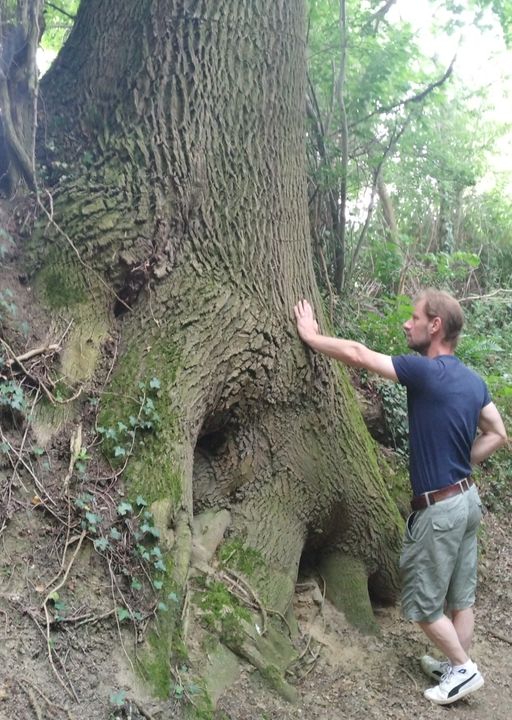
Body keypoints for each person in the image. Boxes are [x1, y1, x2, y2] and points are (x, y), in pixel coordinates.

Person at [294, 289, 508, 705]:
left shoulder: (425, 372)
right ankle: (455, 663)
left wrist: (311, 336)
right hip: (467, 501)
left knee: (425, 604)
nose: (406, 324)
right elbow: (498, 433)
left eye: (414, 318)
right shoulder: (472, 381)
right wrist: (460, 459)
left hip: (441, 508)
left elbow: (358, 354)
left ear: (436, 326)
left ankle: (463, 670)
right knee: (461, 598)